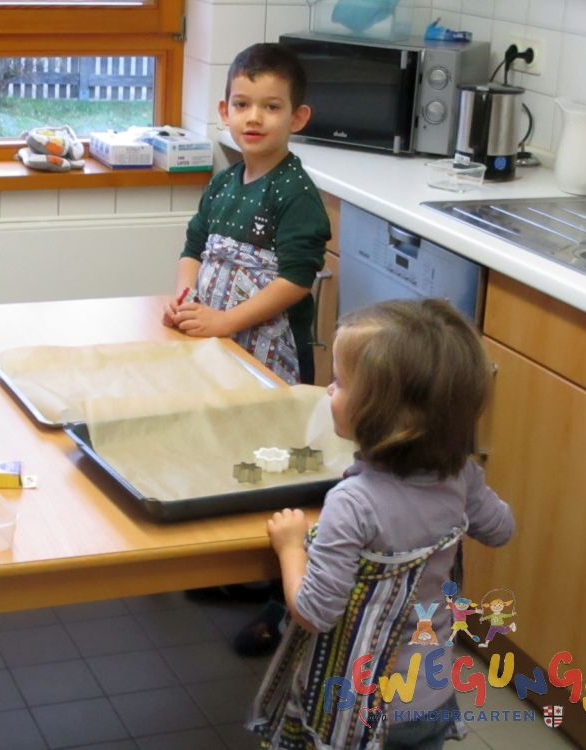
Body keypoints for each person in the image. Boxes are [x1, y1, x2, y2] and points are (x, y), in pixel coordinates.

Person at [248, 298, 515, 750]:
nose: (328, 391)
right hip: (430, 696)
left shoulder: (352, 504)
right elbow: (501, 528)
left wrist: (291, 548)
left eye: (339, 383)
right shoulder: (460, 476)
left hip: (357, 709)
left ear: (381, 415)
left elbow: (314, 612)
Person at [162, 42, 331, 655]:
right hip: (218, 344)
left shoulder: (295, 194)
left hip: (267, 354)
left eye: (271, 107)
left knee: (278, 468)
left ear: (298, 118)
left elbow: (295, 279)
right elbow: (193, 246)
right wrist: (183, 298)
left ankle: (280, 604)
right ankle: (242, 569)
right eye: (242, 104)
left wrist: (228, 321)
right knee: (228, 449)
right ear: (224, 110)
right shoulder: (226, 181)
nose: (254, 118)